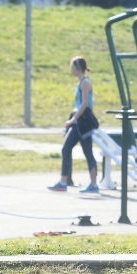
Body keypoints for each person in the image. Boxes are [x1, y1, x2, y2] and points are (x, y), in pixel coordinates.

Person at [49, 56, 100, 193]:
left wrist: (73, 120)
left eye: (72, 66)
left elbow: (84, 104)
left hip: (82, 122)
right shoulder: (81, 82)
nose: (71, 69)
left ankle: (85, 184)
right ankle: (66, 182)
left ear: (77, 68)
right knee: (74, 150)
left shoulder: (85, 82)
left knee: (74, 150)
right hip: (79, 121)